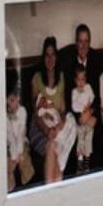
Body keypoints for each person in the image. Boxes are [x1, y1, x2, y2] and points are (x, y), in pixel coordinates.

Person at [28, 38, 77, 183]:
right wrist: (47, 131)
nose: (50, 59)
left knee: (57, 140)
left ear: (56, 57)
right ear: (43, 58)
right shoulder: (36, 79)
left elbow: (62, 110)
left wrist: (60, 123)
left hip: (55, 123)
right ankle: (53, 192)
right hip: (39, 126)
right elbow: (36, 114)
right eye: (47, 55)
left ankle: (53, 192)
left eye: (53, 55)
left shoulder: (61, 78)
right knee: (51, 146)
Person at [6, 77, 34, 192]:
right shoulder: (5, 116)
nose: (11, 104)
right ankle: (9, 186)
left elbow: (21, 134)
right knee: (9, 165)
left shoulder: (22, 111)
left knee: (24, 160)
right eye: (9, 101)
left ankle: (28, 183)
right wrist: (14, 156)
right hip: (8, 145)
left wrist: (19, 154)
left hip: (22, 143)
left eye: (14, 100)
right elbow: (10, 137)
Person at [71, 66, 97, 173]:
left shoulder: (88, 87)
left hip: (88, 117)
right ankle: (80, 162)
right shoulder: (74, 92)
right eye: (79, 80)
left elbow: (93, 97)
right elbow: (73, 106)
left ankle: (87, 161)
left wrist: (89, 108)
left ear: (85, 80)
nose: (81, 83)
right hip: (81, 119)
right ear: (75, 80)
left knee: (88, 139)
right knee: (80, 139)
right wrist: (83, 111)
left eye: (83, 79)